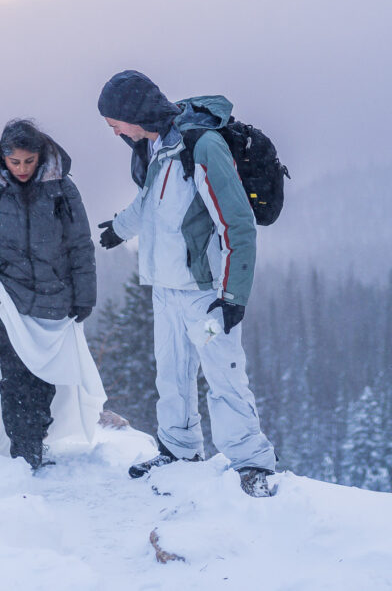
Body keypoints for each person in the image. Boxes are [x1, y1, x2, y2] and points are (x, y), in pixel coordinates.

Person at [96, 70, 278, 497]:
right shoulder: (160, 147)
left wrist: (232, 296)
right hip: (166, 289)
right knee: (172, 376)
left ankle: (251, 464)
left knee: (225, 377)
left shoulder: (202, 146)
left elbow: (238, 224)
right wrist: (121, 230)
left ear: (132, 113)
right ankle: (179, 451)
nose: (115, 132)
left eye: (114, 122)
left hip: (205, 294)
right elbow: (150, 203)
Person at [0, 118, 104, 470]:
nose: (21, 169)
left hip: (54, 297)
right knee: (16, 374)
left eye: (28, 161)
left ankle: (35, 438)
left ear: (41, 156)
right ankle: (25, 450)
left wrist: (85, 295)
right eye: (14, 162)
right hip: (5, 296)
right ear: (2, 157)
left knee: (44, 377)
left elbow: (81, 245)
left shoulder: (63, 189)